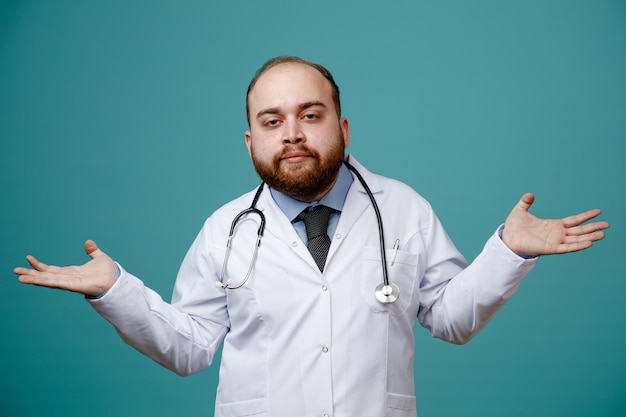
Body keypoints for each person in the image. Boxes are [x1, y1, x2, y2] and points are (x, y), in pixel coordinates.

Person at [14, 56, 609, 417]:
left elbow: (451, 319)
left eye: (310, 114)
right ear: (251, 142)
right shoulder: (224, 228)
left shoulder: (403, 208)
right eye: (272, 121)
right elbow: (189, 347)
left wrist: (508, 249)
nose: (292, 133)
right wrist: (115, 291)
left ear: (343, 128)